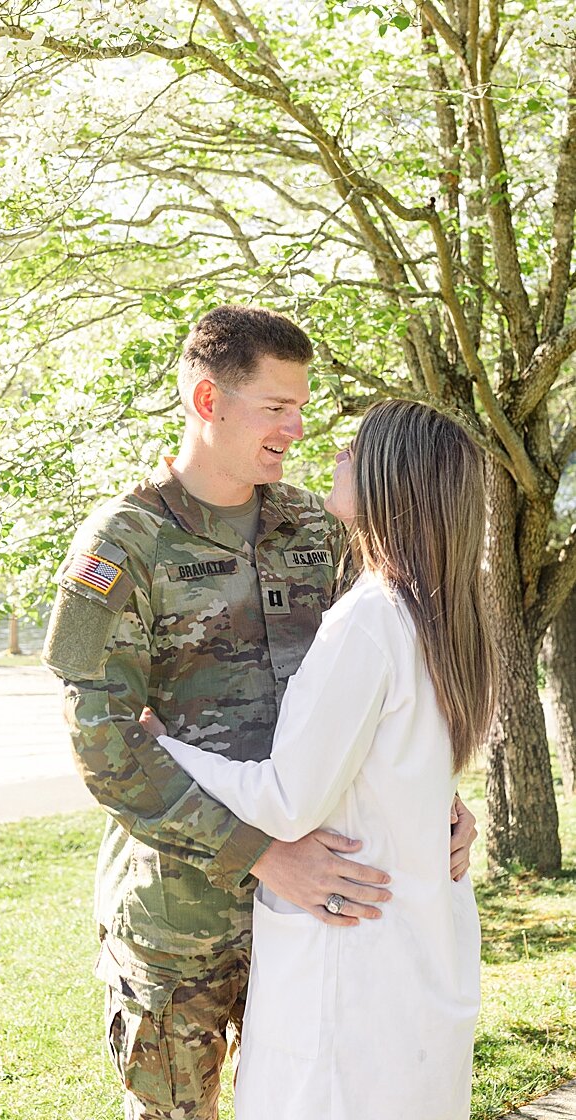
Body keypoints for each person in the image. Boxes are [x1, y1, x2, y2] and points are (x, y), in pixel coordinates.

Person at [40, 305, 477, 1120]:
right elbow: (104, 747)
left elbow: (386, 694)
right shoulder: (122, 545)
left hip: (321, 925)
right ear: (209, 402)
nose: (298, 427)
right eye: (278, 408)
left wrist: (438, 803)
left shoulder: (320, 527)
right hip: (183, 928)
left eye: (302, 407)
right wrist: (261, 854)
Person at [142, 398, 487, 1118]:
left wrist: (163, 743)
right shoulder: (446, 618)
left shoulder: (368, 619)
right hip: (421, 958)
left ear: (395, 484)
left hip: (352, 972)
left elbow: (284, 800)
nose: (334, 454)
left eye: (355, 451)